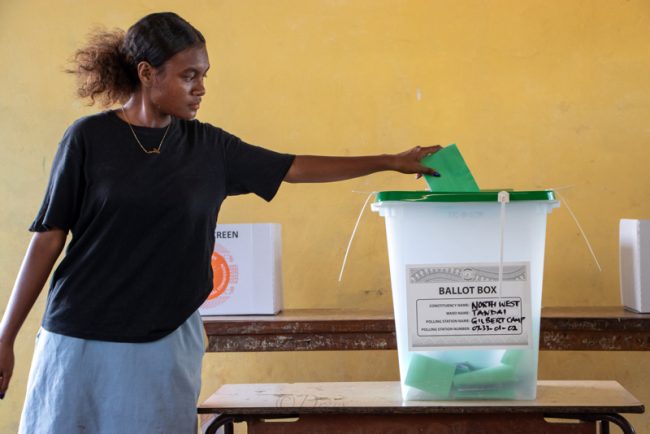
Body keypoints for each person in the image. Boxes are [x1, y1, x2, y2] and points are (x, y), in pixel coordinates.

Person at [0, 12, 441, 434]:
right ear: (147, 73)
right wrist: (5, 337)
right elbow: (48, 238)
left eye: (204, 75)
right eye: (189, 75)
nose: (201, 88)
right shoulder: (88, 139)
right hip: (80, 338)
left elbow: (293, 167)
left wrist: (387, 161)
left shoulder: (209, 149)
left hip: (165, 341)